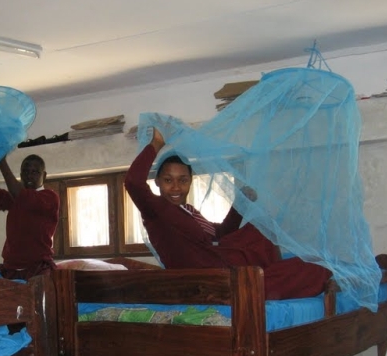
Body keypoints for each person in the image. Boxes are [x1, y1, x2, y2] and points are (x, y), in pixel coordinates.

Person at [125, 127, 331, 299]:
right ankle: (266, 280)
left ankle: (267, 276)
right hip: (208, 281)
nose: (176, 187)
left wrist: (239, 205)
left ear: (190, 182)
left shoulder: (188, 212)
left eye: (183, 180)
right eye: (168, 180)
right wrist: (156, 144)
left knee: (261, 231)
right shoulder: (157, 211)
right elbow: (133, 182)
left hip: (224, 268)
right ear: (158, 182)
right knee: (310, 270)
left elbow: (220, 234)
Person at [0, 154, 60, 280]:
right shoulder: (13, 198)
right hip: (10, 270)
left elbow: (21, 196)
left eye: (35, 172)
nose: (29, 176)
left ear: (44, 175)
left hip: (38, 269)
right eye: (25, 172)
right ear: (20, 174)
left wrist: (1, 160)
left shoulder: (49, 197)